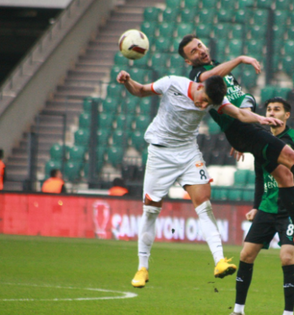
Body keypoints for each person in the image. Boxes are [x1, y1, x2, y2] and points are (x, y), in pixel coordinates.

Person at [179, 34, 294, 249]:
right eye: (193, 51)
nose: (200, 50)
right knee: (290, 157)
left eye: (200, 45)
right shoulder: (197, 75)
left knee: (284, 174)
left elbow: (236, 100)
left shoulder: (221, 69)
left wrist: (244, 121)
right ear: (188, 61)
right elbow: (210, 78)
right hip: (241, 129)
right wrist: (241, 58)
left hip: (243, 129)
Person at [117, 71, 283, 288]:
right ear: (199, 86)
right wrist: (128, 81)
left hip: (188, 153)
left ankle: (219, 261)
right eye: (203, 100)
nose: (204, 106)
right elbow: (139, 90)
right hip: (160, 153)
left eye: (209, 104)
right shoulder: (172, 83)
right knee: (150, 210)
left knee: (204, 205)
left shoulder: (214, 99)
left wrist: (260, 118)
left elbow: (240, 115)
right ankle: (142, 267)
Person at [230, 98, 294, 315]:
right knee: (246, 255)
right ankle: (238, 310)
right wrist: (256, 206)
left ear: (287, 115)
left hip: (292, 208)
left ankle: (288, 313)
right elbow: (259, 177)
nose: (272, 112)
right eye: (269, 109)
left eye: (277, 109)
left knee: (286, 257)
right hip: (267, 207)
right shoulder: (260, 141)